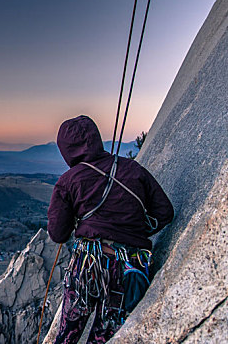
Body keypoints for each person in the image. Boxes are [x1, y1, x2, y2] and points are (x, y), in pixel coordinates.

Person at [47, 115, 173, 344]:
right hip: (128, 268)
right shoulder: (133, 170)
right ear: (96, 138)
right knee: (103, 338)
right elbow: (164, 213)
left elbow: (58, 233)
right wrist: (131, 231)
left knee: (67, 336)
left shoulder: (68, 181)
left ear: (66, 150)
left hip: (87, 266)